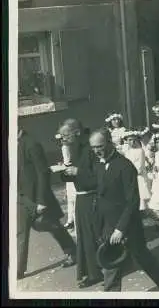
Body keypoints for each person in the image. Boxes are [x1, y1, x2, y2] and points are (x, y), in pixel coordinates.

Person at [88, 128, 159, 291]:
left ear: (110, 142)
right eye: (94, 147)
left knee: (143, 258)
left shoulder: (124, 166)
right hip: (108, 225)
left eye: (100, 146)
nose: (97, 150)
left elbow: (132, 201)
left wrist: (120, 229)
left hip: (127, 226)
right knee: (112, 265)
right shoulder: (98, 165)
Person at [17, 127, 76, 280]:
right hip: (20, 197)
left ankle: (73, 251)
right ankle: (17, 270)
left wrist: (42, 200)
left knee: (50, 225)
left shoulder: (31, 144)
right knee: (20, 233)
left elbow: (43, 172)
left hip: (35, 197)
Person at [59, 119, 103, 288]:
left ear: (77, 133)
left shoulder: (90, 149)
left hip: (92, 197)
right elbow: (77, 175)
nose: (63, 138)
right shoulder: (75, 148)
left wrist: (78, 172)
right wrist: (65, 172)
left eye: (65, 135)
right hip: (81, 198)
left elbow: (98, 177)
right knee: (84, 238)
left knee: (93, 237)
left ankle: (97, 272)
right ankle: (90, 271)